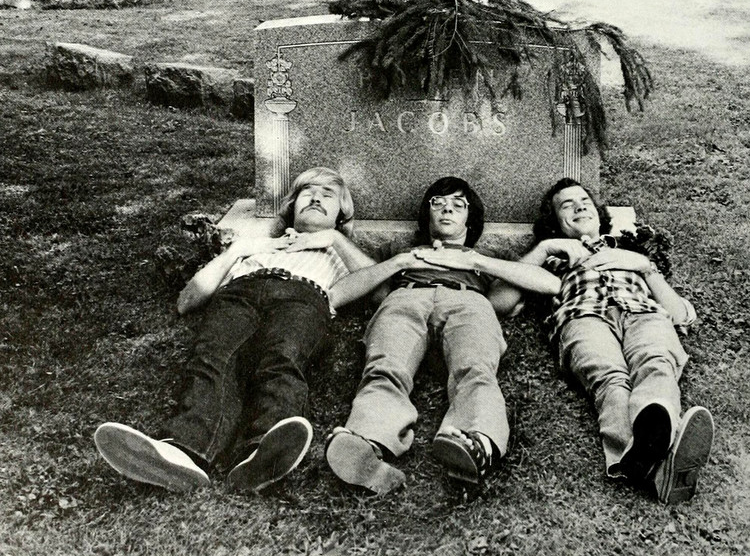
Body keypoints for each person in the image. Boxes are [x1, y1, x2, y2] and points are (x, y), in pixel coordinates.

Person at [94, 167, 375, 492]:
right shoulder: (257, 245)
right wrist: (237, 251)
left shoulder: (340, 251)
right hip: (240, 292)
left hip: (304, 296)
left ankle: (263, 450)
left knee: (283, 357)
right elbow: (187, 300)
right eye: (307, 192)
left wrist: (335, 239)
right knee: (213, 359)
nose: (315, 198)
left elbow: (381, 289)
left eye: (328, 195)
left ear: (341, 214)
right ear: (292, 206)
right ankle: (183, 451)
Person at [324, 176, 560, 494]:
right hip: (406, 297)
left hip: (468, 301)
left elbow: (537, 289)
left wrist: (474, 261)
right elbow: (373, 290)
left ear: (470, 219)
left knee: (475, 368)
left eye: (458, 204)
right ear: (428, 213)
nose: (447, 209)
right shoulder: (400, 249)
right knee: (385, 366)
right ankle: (368, 440)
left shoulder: (485, 253)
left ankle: (477, 441)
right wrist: (400, 262)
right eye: (438, 203)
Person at [492, 177, 714, 504]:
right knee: (610, 379)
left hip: (643, 313)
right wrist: (543, 249)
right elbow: (498, 301)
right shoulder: (550, 260)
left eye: (585, 201)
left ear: (598, 213)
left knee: (656, 363)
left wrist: (645, 268)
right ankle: (660, 462)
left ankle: (651, 430)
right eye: (567, 205)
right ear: (555, 222)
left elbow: (681, 315)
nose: (579, 207)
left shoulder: (630, 251)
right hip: (582, 317)